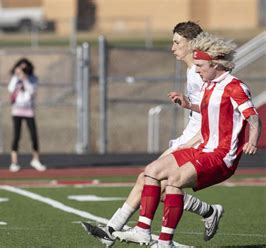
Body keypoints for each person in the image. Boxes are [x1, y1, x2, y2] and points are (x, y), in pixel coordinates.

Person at [112, 32, 262, 248]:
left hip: (220, 156)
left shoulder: (236, 87)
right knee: (151, 171)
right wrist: (188, 105)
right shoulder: (208, 84)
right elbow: (210, 111)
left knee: (173, 181)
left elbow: (253, 116)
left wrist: (253, 140)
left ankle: (165, 242)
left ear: (216, 64)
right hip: (202, 148)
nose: (197, 69)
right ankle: (143, 230)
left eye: (200, 65)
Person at [81, 21, 223, 246]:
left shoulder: (200, 73)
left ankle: (113, 230)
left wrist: (191, 143)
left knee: (152, 179)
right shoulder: (193, 70)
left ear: (192, 44)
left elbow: (213, 114)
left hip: (198, 141)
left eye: (177, 42)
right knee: (155, 183)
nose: (172, 47)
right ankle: (207, 212)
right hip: (190, 136)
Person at [7, 58, 46, 172]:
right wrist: (17, 76)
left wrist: (25, 79)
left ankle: (36, 159)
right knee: (16, 136)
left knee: (34, 135)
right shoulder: (15, 79)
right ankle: (14, 162)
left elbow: (32, 91)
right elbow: (10, 89)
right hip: (17, 110)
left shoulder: (33, 79)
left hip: (29, 110)